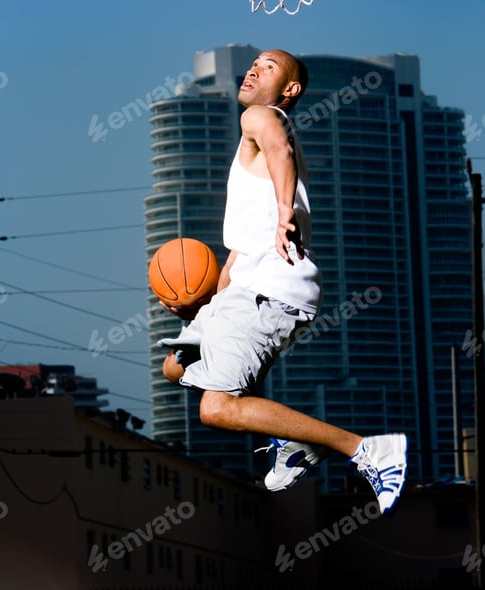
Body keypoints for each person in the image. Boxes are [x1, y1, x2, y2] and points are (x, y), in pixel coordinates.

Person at [158, 48, 407, 515]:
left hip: (271, 291)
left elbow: (281, 150)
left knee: (215, 407)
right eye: (253, 63)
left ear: (289, 90)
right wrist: (200, 309)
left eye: (268, 67)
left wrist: (284, 212)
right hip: (246, 287)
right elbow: (236, 254)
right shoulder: (251, 144)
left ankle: (366, 450)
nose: (254, 68)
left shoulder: (262, 118)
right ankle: (293, 444)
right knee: (176, 365)